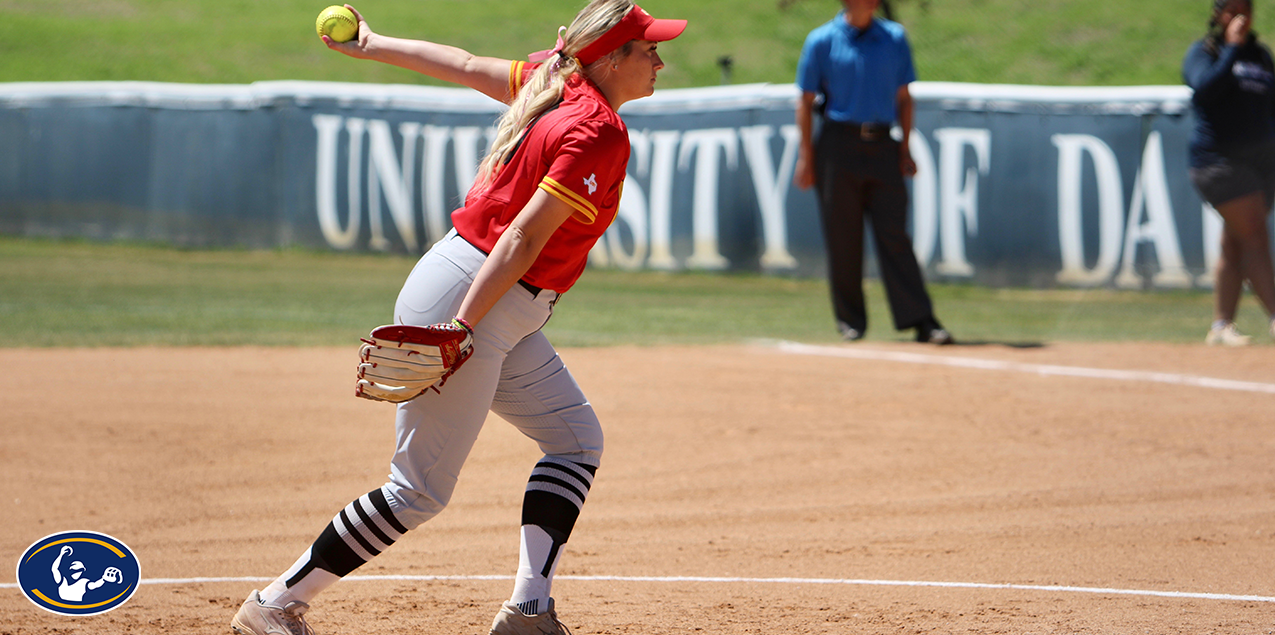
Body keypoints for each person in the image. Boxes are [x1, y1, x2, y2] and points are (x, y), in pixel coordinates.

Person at [229, 2, 686, 634]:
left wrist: (373, 43)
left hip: (489, 300)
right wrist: (463, 328)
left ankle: (529, 611)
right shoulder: (594, 126)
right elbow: (522, 239)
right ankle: (274, 606)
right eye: (648, 50)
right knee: (416, 492)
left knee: (575, 441)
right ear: (609, 58)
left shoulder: (556, 78)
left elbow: (463, 63)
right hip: (477, 298)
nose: (660, 60)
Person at [793, 0, 952, 345]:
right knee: (843, 236)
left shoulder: (894, 37)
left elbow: (904, 97)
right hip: (838, 145)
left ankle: (921, 319)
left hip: (883, 144)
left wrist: (905, 147)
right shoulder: (822, 40)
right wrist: (807, 157)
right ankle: (851, 320)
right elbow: (805, 102)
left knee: (895, 234)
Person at [1183, 0, 1275, 346]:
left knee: (1235, 242)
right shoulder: (1204, 52)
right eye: (1232, 9)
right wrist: (1232, 49)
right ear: (1217, 14)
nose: (1241, 16)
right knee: (1254, 235)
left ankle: (1221, 326)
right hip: (1218, 162)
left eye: (1247, 9)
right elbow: (1204, 91)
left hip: (1260, 163)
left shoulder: (1261, 56)